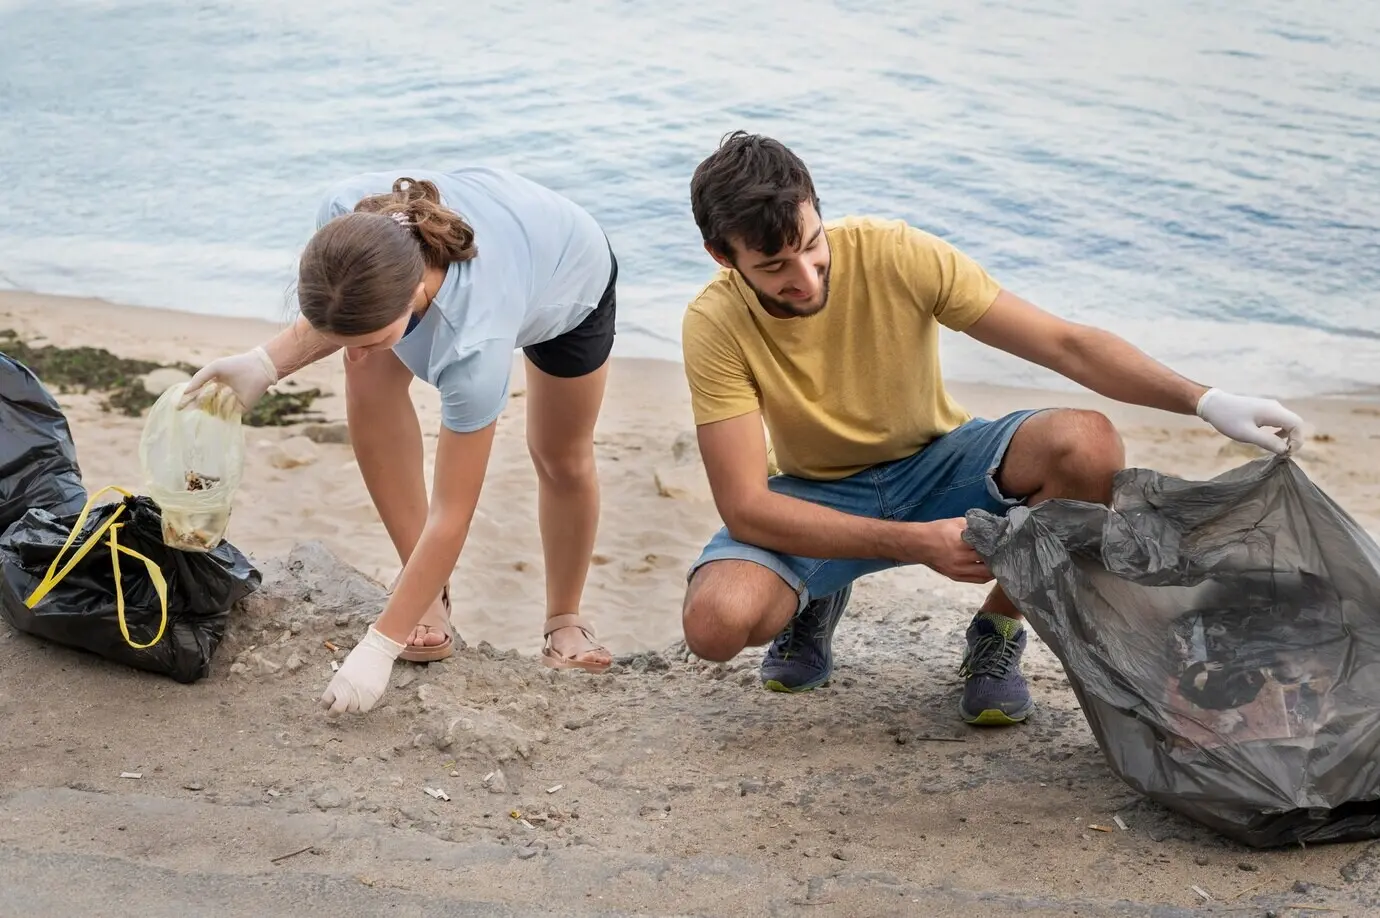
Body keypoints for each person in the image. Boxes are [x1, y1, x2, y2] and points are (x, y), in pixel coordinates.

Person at [678, 131, 1306, 726]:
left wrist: (1204, 399)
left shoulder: (895, 253)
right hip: (815, 491)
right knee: (716, 625)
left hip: (939, 461)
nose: (808, 278)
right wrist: (914, 542)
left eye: (814, 244)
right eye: (777, 266)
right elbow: (745, 506)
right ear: (723, 257)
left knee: (1087, 442)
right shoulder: (715, 322)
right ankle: (813, 601)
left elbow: (1066, 345)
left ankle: (998, 627)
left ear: (818, 209)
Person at [183, 167, 620, 714]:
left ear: (414, 295)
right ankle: (427, 597)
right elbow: (348, 320)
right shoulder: (345, 219)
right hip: (492, 236)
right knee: (367, 376)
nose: (359, 352)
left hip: (566, 276)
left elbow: (452, 515)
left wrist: (378, 645)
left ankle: (565, 620)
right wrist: (265, 362)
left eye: (373, 338)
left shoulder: (474, 344)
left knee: (560, 457)